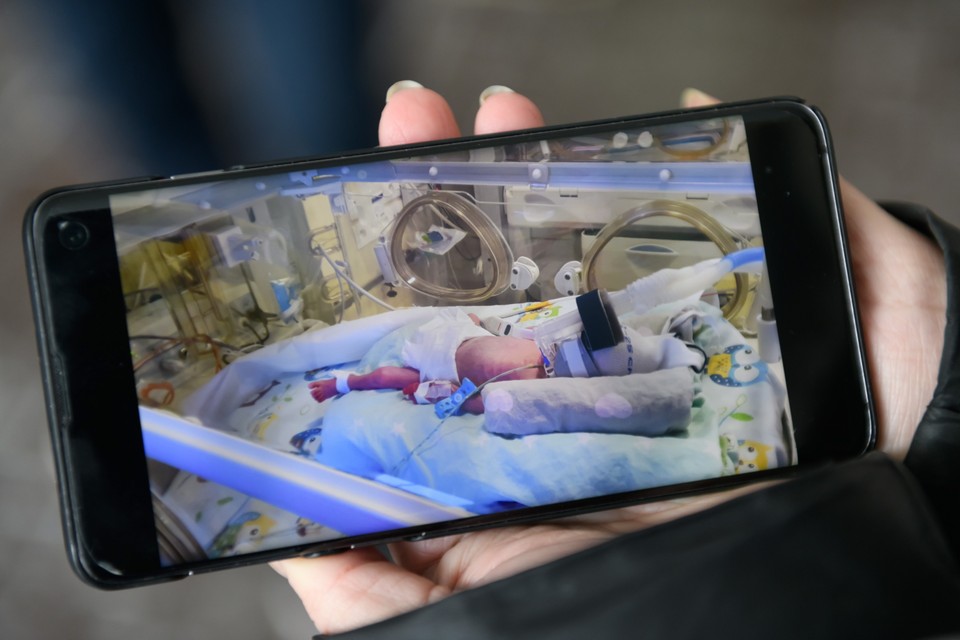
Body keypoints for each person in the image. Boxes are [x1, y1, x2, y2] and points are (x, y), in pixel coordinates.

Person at [272, 85, 960, 638]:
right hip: (485, 365)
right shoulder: (453, 366)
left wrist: (537, 356)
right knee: (443, 378)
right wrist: (403, 381)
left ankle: (383, 379)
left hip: (529, 360)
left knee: (562, 361)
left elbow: (624, 342)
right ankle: (354, 380)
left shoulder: (518, 352)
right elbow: (468, 369)